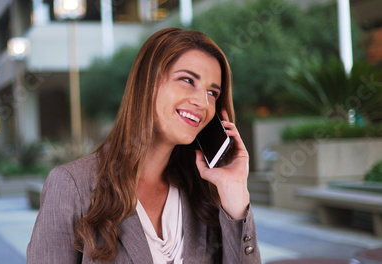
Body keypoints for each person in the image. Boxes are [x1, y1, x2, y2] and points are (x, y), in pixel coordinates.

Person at [27, 27, 261, 264]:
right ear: (147, 83)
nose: (202, 102)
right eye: (187, 80)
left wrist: (235, 194)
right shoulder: (72, 185)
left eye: (212, 92)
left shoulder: (203, 196)